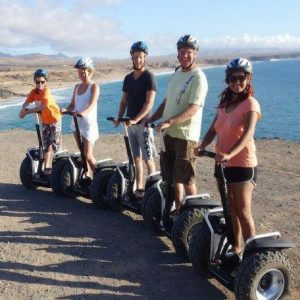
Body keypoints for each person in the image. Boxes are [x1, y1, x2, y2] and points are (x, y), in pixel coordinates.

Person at [195, 58, 261, 258]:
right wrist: (202, 146)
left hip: (242, 164)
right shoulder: (225, 102)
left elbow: (248, 134)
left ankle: (253, 256)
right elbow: (213, 129)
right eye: (232, 78)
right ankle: (236, 247)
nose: (236, 82)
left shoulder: (250, 104)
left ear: (248, 78)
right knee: (229, 209)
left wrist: (230, 154)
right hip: (222, 163)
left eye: (241, 78)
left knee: (243, 211)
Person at [147, 35, 208, 213]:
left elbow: (193, 108)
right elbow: (166, 102)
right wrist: (151, 119)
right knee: (174, 177)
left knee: (187, 178)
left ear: (195, 53)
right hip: (169, 134)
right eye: (182, 52)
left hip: (186, 135)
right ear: (178, 54)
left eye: (189, 52)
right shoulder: (177, 74)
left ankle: (193, 215)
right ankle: (179, 210)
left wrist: (168, 122)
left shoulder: (198, 77)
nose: (185, 56)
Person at [114, 41, 157, 196]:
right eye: (135, 57)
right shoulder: (128, 78)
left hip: (144, 125)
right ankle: (139, 188)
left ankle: (153, 191)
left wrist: (136, 119)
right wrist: (119, 117)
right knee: (136, 158)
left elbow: (149, 103)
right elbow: (124, 101)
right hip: (130, 125)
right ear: (131, 57)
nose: (138, 60)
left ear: (144, 58)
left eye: (140, 57)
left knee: (148, 159)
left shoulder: (149, 77)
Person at [19, 69, 62, 174]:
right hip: (45, 120)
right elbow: (26, 102)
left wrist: (27, 113)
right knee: (46, 144)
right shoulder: (34, 92)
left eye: (42, 82)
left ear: (46, 82)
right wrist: (23, 109)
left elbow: (42, 107)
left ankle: (59, 167)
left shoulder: (46, 92)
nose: (40, 84)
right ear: (35, 82)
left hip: (54, 119)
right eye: (37, 82)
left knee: (55, 144)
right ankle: (47, 168)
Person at [62, 57, 99, 177]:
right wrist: (66, 109)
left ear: (89, 71)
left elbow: (92, 104)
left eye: (83, 72)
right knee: (82, 154)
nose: (80, 74)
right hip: (76, 124)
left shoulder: (94, 87)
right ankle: (88, 177)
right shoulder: (77, 87)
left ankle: (99, 178)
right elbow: (73, 104)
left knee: (88, 155)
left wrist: (83, 113)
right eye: (79, 72)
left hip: (88, 126)